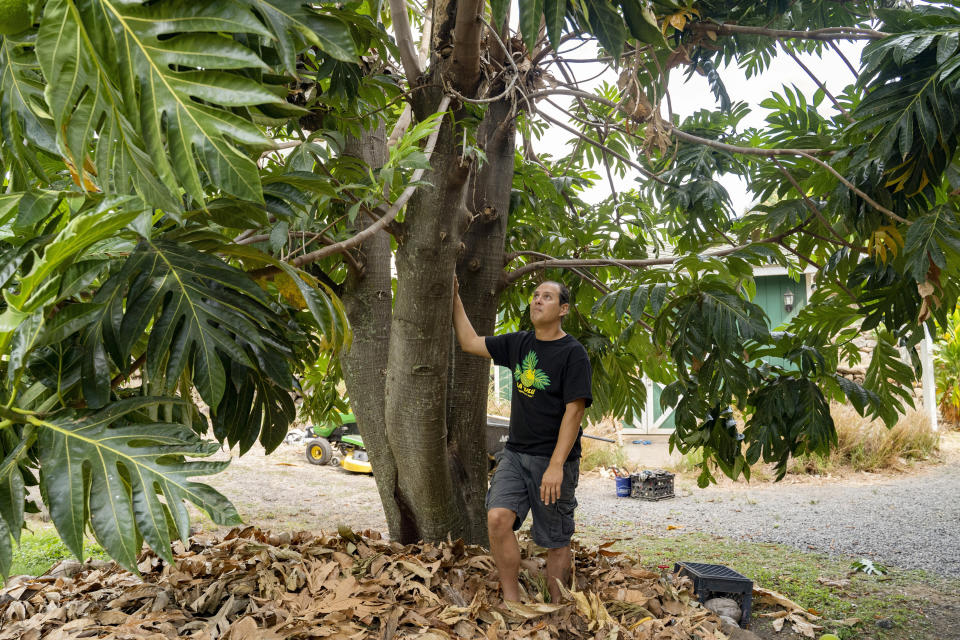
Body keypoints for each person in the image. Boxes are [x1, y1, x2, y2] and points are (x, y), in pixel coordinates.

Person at [452, 278, 592, 603]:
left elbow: (574, 413)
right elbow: (470, 342)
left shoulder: (573, 354)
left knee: (555, 539)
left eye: (547, 297)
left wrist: (556, 465)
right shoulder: (519, 343)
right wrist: (455, 297)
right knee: (498, 518)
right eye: (535, 296)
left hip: (553, 459)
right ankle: (513, 603)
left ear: (563, 309)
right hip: (515, 454)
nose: (537, 301)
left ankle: (557, 607)